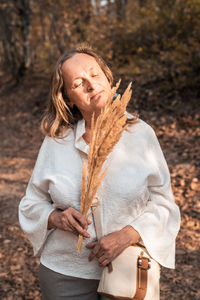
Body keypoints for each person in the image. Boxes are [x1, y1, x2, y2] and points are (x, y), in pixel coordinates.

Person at [19, 45, 181, 300]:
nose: (91, 86)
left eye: (95, 75)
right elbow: (31, 203)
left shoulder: (141, 134)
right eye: (78, 83)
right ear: (68, 98)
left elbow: (164, 204)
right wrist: (55, 218)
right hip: (65, 274)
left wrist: (128, 235)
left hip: (128, 272)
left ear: (107, 77)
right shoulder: (56, 141)